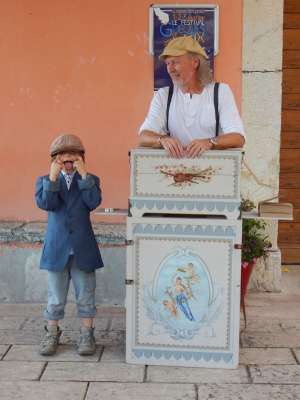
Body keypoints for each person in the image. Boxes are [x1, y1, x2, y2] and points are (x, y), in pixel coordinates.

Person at [35, 133, 103, 356]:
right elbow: (47, 204)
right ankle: (52, 333)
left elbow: (93, 202)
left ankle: (86, 334)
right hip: (57, 247)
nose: (68, 159)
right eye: (62, 155)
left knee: (86, 293)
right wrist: (52, 181)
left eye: (73, 154)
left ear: (81, 158)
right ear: (54, 158)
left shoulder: (90, 179)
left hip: (82, 246)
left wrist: (84, 175)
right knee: (55, 296)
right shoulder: (44, 181)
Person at [139, 36, 245, 157]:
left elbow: (238, 138)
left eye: (175, 62)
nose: (170, 69)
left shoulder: (220, 92)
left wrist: (210, 142)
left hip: (212, 170)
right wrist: (162, 139)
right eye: (168, 63)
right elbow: (143, 136)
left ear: (195, 62)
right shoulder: (163, 95)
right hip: (174, 169)